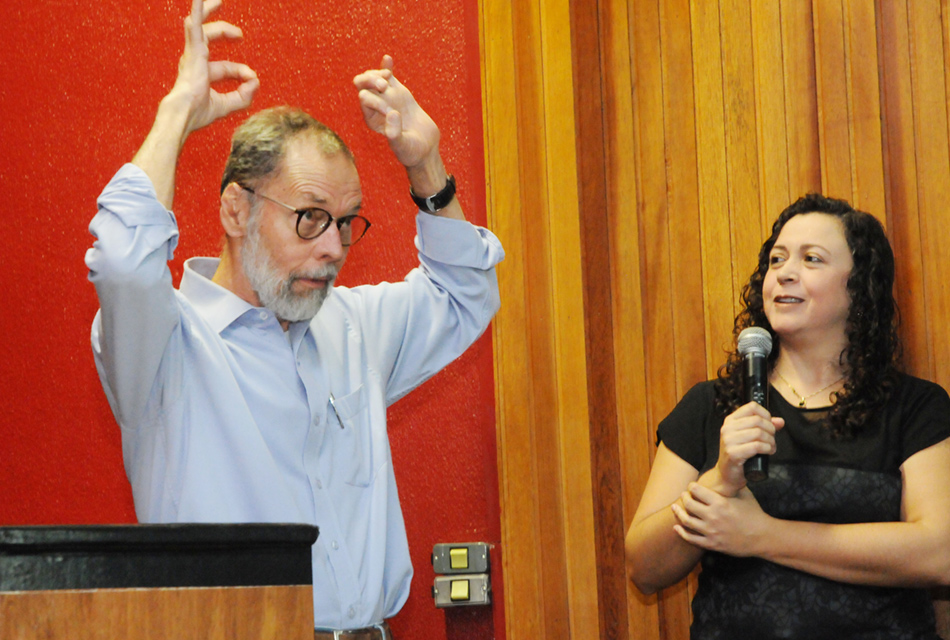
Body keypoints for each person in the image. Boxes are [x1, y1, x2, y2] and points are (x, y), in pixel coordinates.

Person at [85, 0, 503, 636]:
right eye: (309, 218)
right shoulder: (166, 347)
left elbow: (465, 295)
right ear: (236, 210)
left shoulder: (350, 326)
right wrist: (177, 113)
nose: (333, 248)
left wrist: (426, 165)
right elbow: (121, 259)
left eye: (345, 223)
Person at [624, 194, 950, 639]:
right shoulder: (710, 406)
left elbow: (940, 553)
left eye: (811, 259)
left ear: (860, 286)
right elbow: (644, 568)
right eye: (777, 259)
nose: (785, 272)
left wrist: (763, 535)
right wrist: (718, 480)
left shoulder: (915, 407)